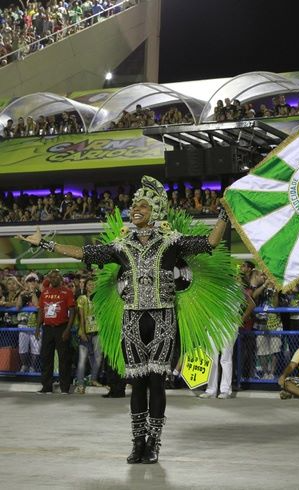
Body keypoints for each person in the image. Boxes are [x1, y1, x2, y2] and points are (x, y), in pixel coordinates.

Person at [14, 176, 240, 464]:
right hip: (132, 320)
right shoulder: (121, 245)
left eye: (143, 205)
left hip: (163, 319)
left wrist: (223, 213)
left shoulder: (171, 242)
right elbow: (85, 253)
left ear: (155, 211)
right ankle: (137, 443)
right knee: (138, 383)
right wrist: (45, 243)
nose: (136, 209)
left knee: (156, 383)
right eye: (134, 205)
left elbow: (209, 242)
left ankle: (154, 443)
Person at [35, 269, 75, 394]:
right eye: (51, 277)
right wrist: (37, 328)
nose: (53, 279)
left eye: (56, 277)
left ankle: (65, 388)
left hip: (61, 328)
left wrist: (68, 329)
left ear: (60, 278)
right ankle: (46, 387)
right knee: (46, 357)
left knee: (64, 359)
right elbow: (41, 310)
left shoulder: (67, 292)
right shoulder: (45, 292)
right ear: (49, 279)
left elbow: (73, 311)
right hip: (47, 328)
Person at [74, 278, 102, 393]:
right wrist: (83, 331)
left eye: (93, 285)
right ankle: (80, 384)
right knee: (82, 360)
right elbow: (81, 317)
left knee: (98, 358)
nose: (92, 286)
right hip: (85, 333)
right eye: (89, 285)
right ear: (85, 287)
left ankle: (93, 379)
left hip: (98, 332)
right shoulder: (82, 299)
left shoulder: (99, 300)